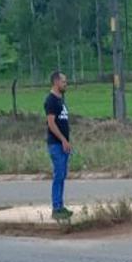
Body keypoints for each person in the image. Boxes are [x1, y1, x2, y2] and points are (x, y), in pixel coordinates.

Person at [44, 71, 72, 220]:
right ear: (56, 82)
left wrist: (67, 141)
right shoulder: (51, 100)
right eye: (63, 82)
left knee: (62, 176)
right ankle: (56, 208)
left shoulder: (60, 99)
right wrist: (62, 140)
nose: (65, 84)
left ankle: (60, 206)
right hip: (56, 144)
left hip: (63, 144)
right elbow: (51, 123)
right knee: (58, 175)